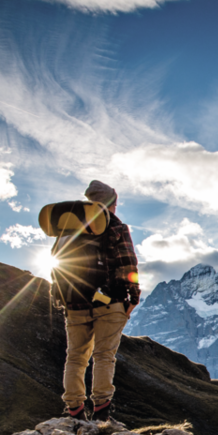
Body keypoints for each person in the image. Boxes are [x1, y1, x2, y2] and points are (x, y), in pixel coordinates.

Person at [60, 180, 140, 421]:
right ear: (112, 204)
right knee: (104, 355)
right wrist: (133, 297)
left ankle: (74, 410)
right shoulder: (116, 227)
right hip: (109, 302)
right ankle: (102, 413)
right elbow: (128, 264)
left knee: (75, 357)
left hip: (75, 302)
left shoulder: (69, 228)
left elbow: (59, 263)